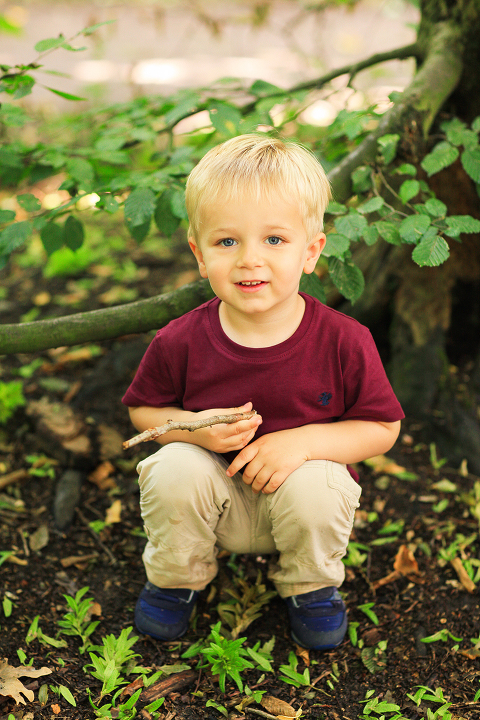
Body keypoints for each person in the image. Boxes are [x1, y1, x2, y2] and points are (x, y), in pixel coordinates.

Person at [122, 134, 404, 650]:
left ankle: (310, 586)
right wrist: (197, 431)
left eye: (274, 240)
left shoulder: (344, 339)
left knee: (320, 481)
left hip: (297, 509)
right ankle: (176, 579)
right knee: (172, 466)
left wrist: (302, 443)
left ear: (311, 251)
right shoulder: (180, 338)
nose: (251, 260)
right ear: (200, 254)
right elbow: (144, 411)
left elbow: (383, 427)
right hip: (214, 500)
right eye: (227, 242)